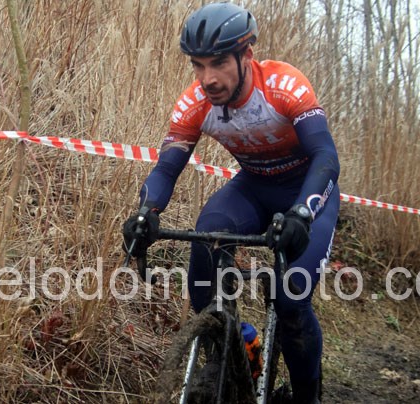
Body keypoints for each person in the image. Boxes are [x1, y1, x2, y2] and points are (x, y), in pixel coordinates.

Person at [123, 2, 339, 403]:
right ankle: (237, 349)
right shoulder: (195, 104)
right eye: (198, 65)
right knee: (208, 240)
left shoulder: (283, 86)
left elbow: (325, 156)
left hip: (306, 191)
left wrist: (303, 213)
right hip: (253, 188)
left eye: (219, 63)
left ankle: (307, 396)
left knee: (290, 299)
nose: (208, 78)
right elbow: (167, 168)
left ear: (246, 55)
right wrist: (144, 213)